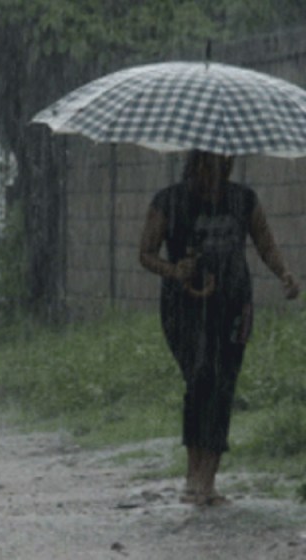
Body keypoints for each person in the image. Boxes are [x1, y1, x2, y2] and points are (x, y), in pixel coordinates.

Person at [138, 150, 300, 506]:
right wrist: (173, 270)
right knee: (200, 378)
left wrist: (284, 273)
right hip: (183, 309)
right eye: (208, 164)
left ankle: (206, 480)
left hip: (233, 305)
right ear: (194, 164)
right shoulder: (170, 201)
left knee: (222, 383)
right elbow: (146, 252)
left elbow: (264, 242)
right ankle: (193, 474)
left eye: (222, 163)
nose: (215, 171)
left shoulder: (243, 199)